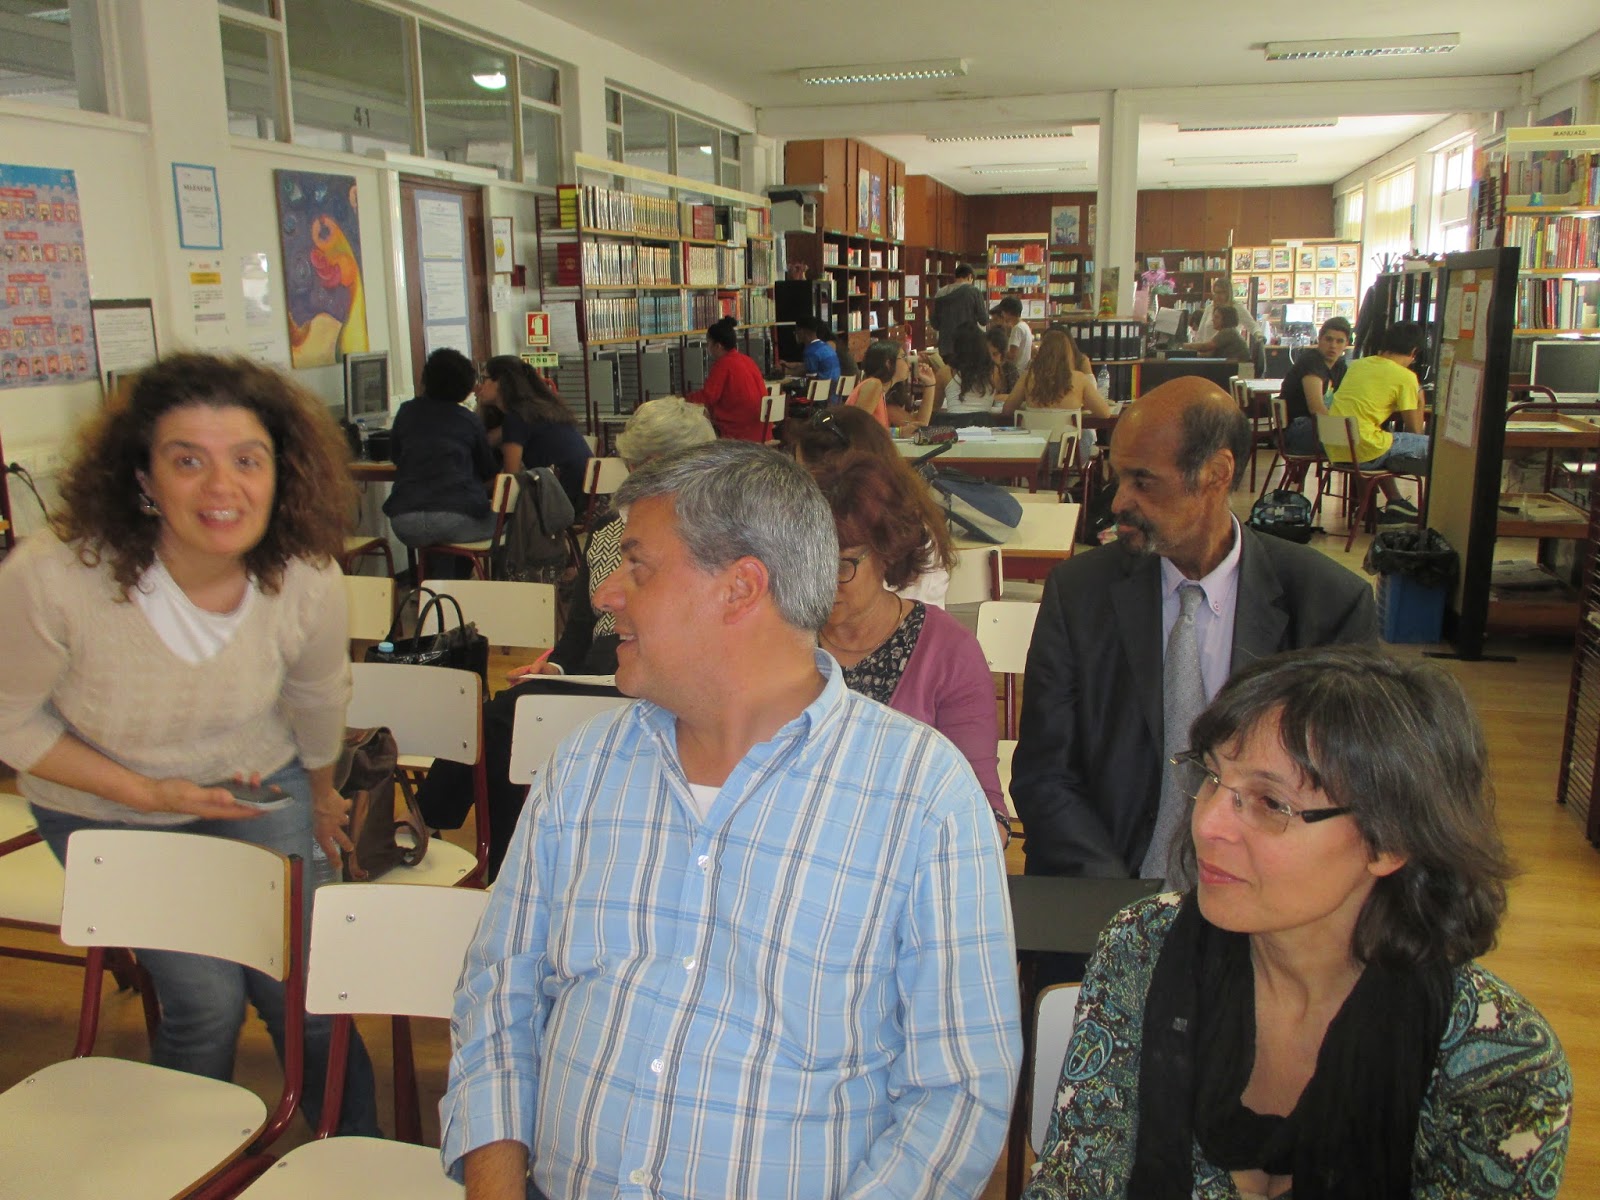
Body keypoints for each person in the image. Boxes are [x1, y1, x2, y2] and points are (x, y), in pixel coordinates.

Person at [441, 441, 1020, 1200]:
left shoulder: (922, 798)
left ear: (741, 588)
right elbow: (498, 994)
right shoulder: (584, 768)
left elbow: (958, 1093)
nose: (605, 593)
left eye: (637, 566)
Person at [1025, 645, 1571, 1200]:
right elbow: (1078, 1180)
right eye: (1212, 777)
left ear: (1391, 841)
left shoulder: (1500, 1064)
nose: (1208, 824)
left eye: (1270, 803)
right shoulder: (1143, 944)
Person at [0, 352, 379, 1135]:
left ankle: (358, 1158)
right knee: (205, 1004)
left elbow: (316, 696)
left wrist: (321, 793)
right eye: (187, 461)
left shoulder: (304, 575)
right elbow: (10, 718)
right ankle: (190, 1165)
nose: (221, 487)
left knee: (310, 998)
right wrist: (144, 792)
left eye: (247, 460)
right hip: (104, 806)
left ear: (280, 473)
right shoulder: (54, 575)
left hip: (254, 784)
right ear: (144, 477)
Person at [1011, 377, 1378, 889]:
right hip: (1105, 885)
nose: (1118, 502)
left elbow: (1346, 789)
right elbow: (1044, 774)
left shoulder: (1327, 605)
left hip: (1266, 895)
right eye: (1119, 477)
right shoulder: (1079, 593)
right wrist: (1125, 910)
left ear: (1216, 473)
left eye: (1144, 482)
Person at [416, 396, 718, 880]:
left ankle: (442, 826)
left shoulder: (706, 539)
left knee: (505, 719)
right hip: (596, 668)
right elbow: (579, 627)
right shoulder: (608, 529)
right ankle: (508, 861)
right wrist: (555, 667)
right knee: (512, 718)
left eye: (644, 465)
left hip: (657, 674)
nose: (633, 475)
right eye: (632, 464)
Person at [808, 450, 1007, 836]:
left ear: (885, 552)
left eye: (842, 564)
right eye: (810, 561)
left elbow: (983, 814)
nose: (821, 581)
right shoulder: (782, 636)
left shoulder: (949, 653)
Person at [791, 405, 954, 608]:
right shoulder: (907, 514)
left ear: (838, 475)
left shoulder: (901, 537)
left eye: (804, 473)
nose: (797, 487)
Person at [384, 346, 497, 576]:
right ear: (465, 387)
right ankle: (468, 588)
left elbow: (396, 456)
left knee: (439, 539)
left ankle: (436, 590)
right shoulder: (468, 420)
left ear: (426, 379)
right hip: (454, 519)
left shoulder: (406, 412)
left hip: (405, 521)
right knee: (508, 522)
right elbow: (488, 471)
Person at [1323, 320, 1430, 523]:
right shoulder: (1406, 377)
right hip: (1365, 450)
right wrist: (1420, 399)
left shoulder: (1357, 365)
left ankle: (1394, 502)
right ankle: (1434, 514)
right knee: (1432, 447)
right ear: (1414, 352)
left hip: (1337, 448)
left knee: (1385, 439)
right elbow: (1414, 430)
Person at [475, 355, 592, 510]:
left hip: (560, 502)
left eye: (484, 379)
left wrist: (472, 491)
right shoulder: (539, 410)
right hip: (586, 497)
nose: (479, 386)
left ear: (501, 382)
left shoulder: (515, 418)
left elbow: (510, 481)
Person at [687, 315, 767, 442]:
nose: (708, 348)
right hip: (761, 431)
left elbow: (708, 396)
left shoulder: (723, 365)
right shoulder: (747, 360)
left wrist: (684, 399)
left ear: (718, 346)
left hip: (739, 433)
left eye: (709, 343)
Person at [1279, 316, 1352, 456]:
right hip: (1297, 430)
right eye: (1329, 339)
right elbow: (1316, 409)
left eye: (1339, 341)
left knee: (1361, 437)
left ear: (1346, 344)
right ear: (1319, 339)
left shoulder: (1340, 367)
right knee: (1359, 442)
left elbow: (1345, 402)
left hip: (1316, 427)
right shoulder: (1311, 361)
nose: (1333, 345)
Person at [847, 338, 936, 431]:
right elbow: (858, 428)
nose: (909, 363)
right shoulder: (874, 384)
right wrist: (899, 432)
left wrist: (930, 384)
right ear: (888, 363)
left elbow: (919, 424)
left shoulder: (884, 394)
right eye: (904, 357)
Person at [939, 323, 1000, 415]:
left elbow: (934, 407)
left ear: (956, 346)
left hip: (955, 422)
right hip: (984, 422)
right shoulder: (994, 371)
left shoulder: (945, 372)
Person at [931, 262, 989, 355]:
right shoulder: (974, 292)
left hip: (946, 346)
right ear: (970, 277)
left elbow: (935, 324)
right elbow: (983, 320)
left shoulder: (940, 293)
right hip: (967, 344)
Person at [1191, 276, 1262, 345]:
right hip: (1208, 350)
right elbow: (1201, 333)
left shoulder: (1237, 308)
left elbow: (1252, 326)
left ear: (1228, 293)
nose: (1217, 296)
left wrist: (1259, 336)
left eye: (1221, 293)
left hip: (1228, 350)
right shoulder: (1210, 308)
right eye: (1215, 293)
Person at [781, 316, 840, 381]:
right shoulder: (826, 346)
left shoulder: (810, 351)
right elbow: (807, 368)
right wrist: (789, 365)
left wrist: (784, 372)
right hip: (833, 385)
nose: (795, 334)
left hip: (821, 386)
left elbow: (811, 379)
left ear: (802, 331)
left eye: (796, 331)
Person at [1184, 304, 1249, 362]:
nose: (1213, 320)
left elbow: (1205, 346)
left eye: (1217, 317)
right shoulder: (1228, 331)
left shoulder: (1228, 332)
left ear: (1226, 319)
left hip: (1237, 368)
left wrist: (1184, 346)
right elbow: (1209, 354)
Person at [990, 295, 1034, 370]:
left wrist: (998, 351)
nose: (1002, 314)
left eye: (1003, 312)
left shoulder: (1017, 329)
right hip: (1023, 369)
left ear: (1009, 312)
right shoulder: (1024, 326)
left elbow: (1012, 355)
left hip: (1016, 370)